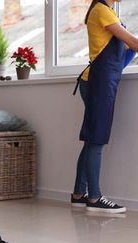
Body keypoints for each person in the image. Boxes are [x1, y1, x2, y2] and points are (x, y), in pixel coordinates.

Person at [71, 0, 138, 216]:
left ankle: (79, 194)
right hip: (97, 82)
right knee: (97, 138)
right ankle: (95, 197)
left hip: (99, 81)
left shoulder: (107, 12)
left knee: (92, 138)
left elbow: (126, 49)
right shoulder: (101, 11)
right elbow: (133, 43)